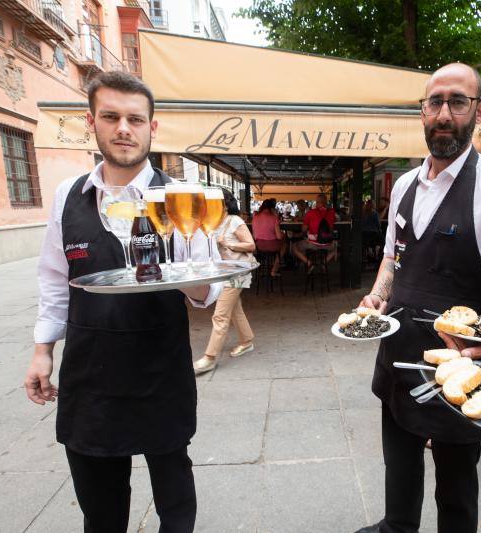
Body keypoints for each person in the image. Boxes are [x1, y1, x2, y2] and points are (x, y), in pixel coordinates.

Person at [23, 71, 222, 532]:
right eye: (111, 117)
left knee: (175, 500)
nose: (123, 129)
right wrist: (41, 351)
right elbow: (55, 279)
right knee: (101, 509)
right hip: (92, 372)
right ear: (92, 122)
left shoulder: (181, 199)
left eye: (135, 118)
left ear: (153, 127)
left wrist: (187, 273)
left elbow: (207, 293)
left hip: (160, 370)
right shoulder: (66, 197)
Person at [354, 63, 481, 533]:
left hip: (460, 364)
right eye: (434, 102)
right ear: (422, 112)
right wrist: (376, 299)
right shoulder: (402, 186)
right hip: (397, 354)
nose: (443, 113)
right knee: (398, 461)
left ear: (479, 111)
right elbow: (392, 259)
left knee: (456, 485)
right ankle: (396, 527)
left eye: (456, 102)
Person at [194, 189, 256, 375]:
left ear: (224, 203)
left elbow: (251, 245)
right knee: (234, 308)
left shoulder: (234, 221)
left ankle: (210, 358)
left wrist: (227, 243)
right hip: (224, 273)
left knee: (220, 315)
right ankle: (247, 341)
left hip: (238, 272)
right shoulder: (213, 222)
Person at [292, 193, 337, 272]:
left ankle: (309, 263)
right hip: (327, 243)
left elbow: (304, 230)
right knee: (336, 248)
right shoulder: (331, 212)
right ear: (326, 202)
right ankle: (324, 262)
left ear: (318, 202)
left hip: (313, 244)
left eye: (316, 202)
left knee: (294, 247)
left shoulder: (310, 213)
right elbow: (333, 226)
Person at [251, 198, 286, 276]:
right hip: (272, 246)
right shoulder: (273, 218)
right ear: (272, 208)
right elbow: (279, 237)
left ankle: (262, 268)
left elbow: (254, 235)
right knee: (284, 245)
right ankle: (274, 270)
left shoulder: (255, 217)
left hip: (258, 246)